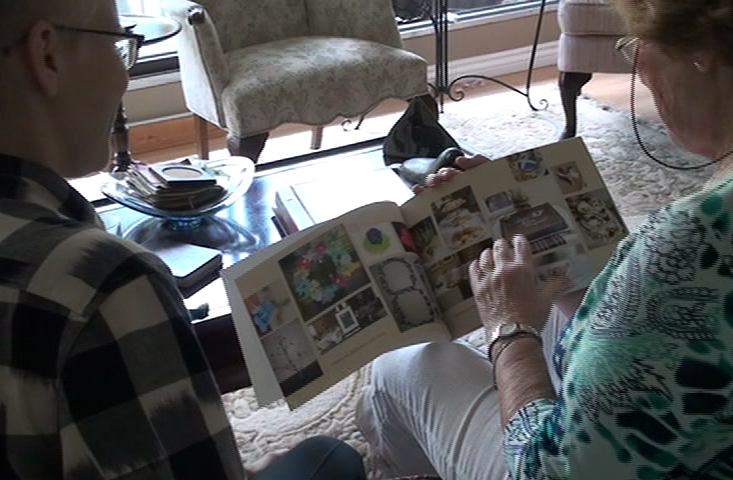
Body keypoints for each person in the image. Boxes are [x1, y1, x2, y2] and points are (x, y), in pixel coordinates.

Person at [356, 0, 733, 478]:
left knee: (403, 364)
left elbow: (544, 472)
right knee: (562, 306)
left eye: (639, 42)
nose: (635, 62)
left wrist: (508, 330)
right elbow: (659, 341)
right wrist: (518, 205)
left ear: (704, 52)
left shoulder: (692, 240)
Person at [0, 1, 366, 479]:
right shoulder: (101, 285)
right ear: (46, 55)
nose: (122, 77)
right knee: (329, 460)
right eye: (117, 44)